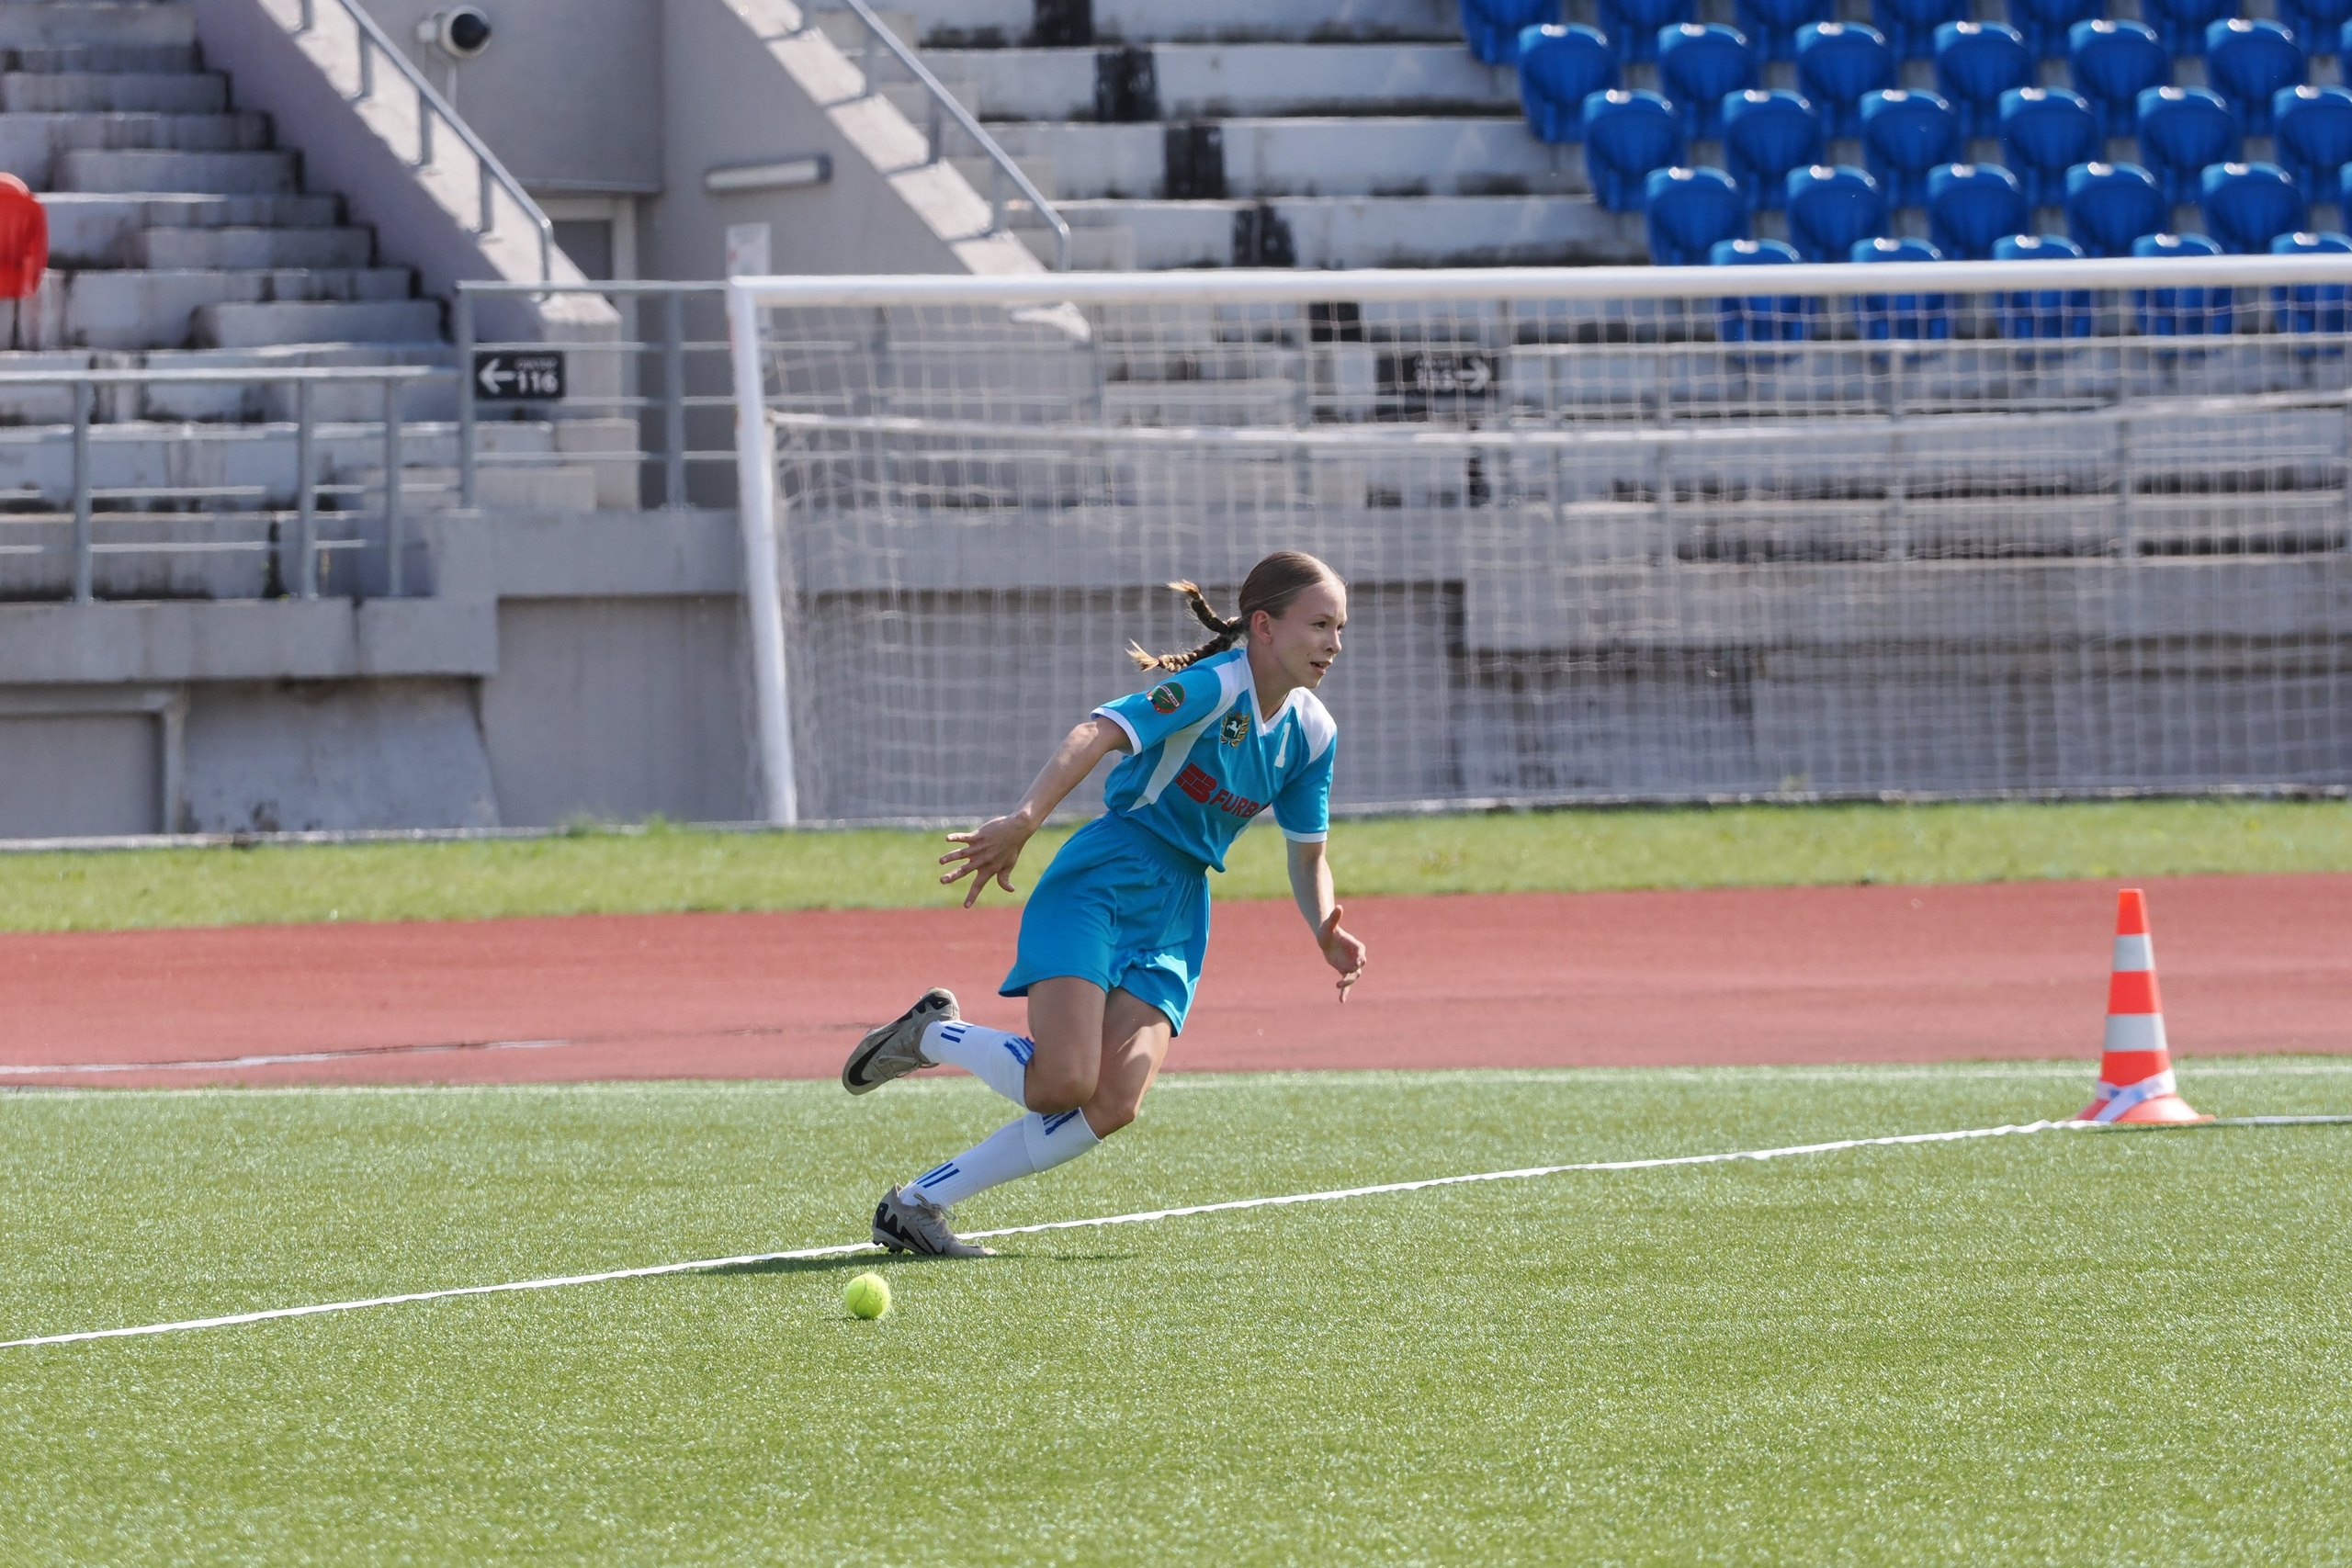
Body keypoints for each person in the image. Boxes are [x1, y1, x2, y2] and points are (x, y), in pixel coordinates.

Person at [841, 551, 1369, 1256]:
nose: (1334, 643)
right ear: (1264, 626)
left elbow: (1309, 853)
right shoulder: (1214, 686)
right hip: (1106, 876)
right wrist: (1023, 821)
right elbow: (1098, 731)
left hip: (1180, 910)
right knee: (1059, 1080)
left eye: (1341, 627)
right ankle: (930, 1034)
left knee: (1114, 1101)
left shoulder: (1313, 732)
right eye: (1321, 624)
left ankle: (916, 1204)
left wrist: (1325, 928)